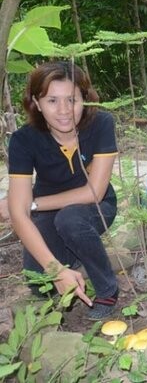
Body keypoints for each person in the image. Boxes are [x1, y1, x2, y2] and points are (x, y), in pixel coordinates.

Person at [8, 61, 120, 320]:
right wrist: (55, 270)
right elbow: (17, 214)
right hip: (51, 210)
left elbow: (93, 193)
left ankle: (107, 288)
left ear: (85, 99)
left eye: (72, 100)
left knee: (70, 219)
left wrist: (32, 203)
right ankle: (73, 260)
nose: (64, 111)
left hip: (96, 206)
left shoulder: (101, 124)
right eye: (52, 101)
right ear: (36, 102)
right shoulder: (23, 140)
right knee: (40, 282)